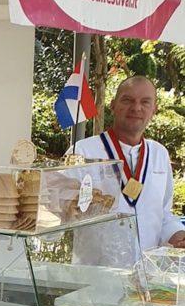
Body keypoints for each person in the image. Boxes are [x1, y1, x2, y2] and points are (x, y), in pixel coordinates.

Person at [70, 75, 185, 264]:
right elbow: (59, 212)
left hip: (148, 273)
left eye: (145, 102)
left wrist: (178, 235)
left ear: (154, 110)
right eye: (127, 100)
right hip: (95, 271)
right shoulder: (82, 152)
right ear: (113, 105)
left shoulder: (159, 154)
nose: (136, 108)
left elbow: (164, 215)